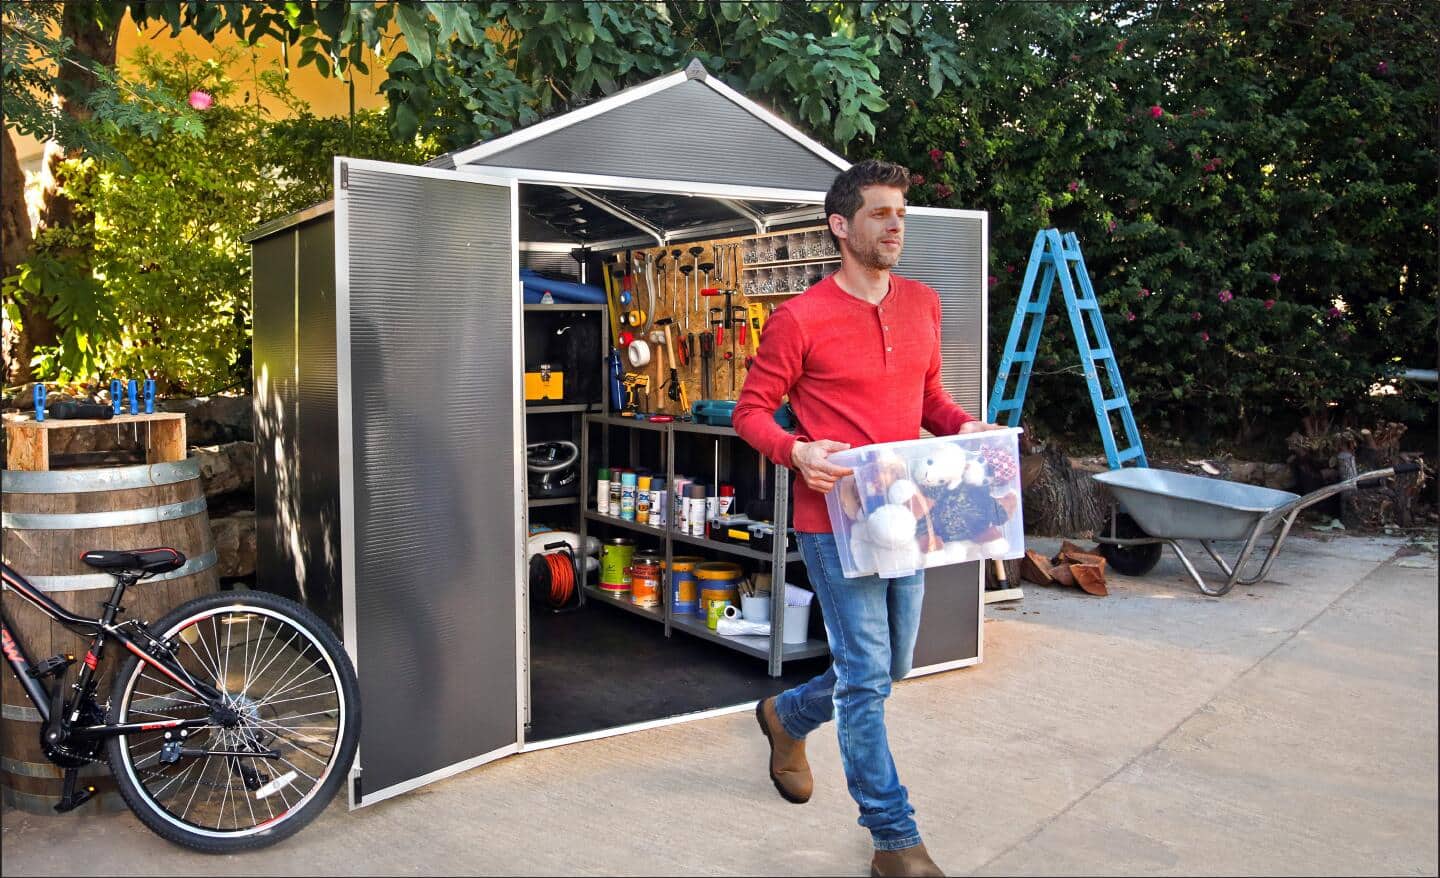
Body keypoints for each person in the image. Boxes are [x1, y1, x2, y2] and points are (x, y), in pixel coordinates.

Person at [733, 159, 1002, 878]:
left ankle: (785, 718)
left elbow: (929, 399)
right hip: (833, 521)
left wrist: (966, 427)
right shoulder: (799, 318)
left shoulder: (922, 304)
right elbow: (749, 412)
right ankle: (894, 839)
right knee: (864, 677)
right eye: (880, 214)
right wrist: (795, 450)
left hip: (904, 512)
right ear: (840, 225)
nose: (894, 226)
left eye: (901, 215)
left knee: (893, 666)